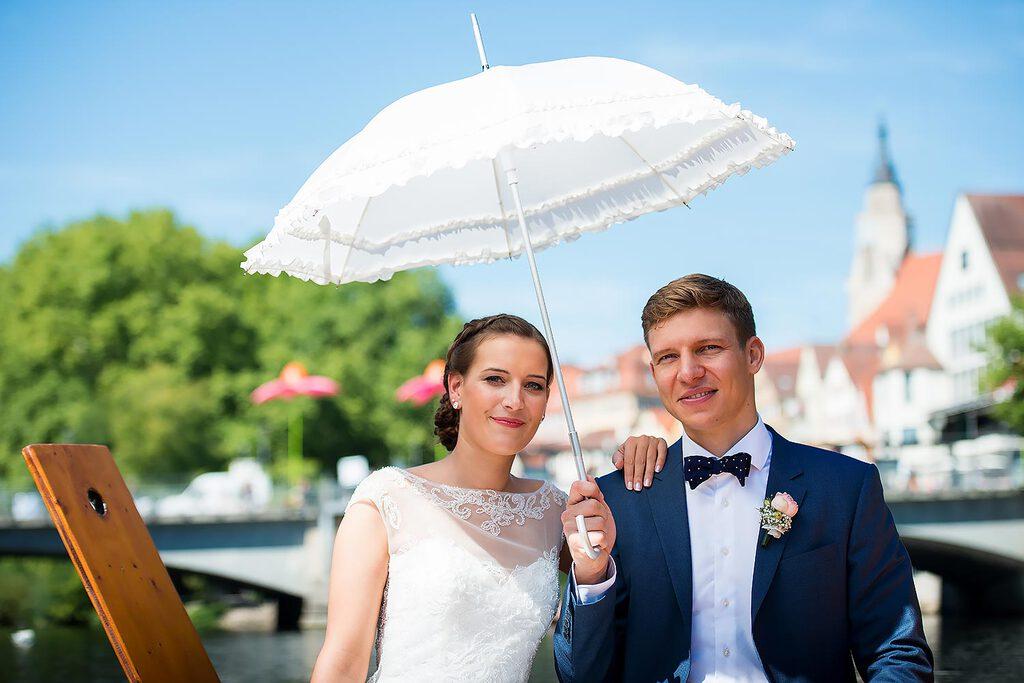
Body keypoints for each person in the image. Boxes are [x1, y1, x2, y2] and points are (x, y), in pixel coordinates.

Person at [554, 274, 934, 682]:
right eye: (667, 357)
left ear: (753, 355)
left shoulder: (845, 488)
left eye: (708, 349)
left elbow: (896, 651)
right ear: (653, 372)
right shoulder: (620, 498)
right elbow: (580, 676)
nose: (688, 371)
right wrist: (591, 576)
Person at [310, 313, 660, 682]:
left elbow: (635, 610)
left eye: (534, 386)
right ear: (456, 388)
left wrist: (649, 453)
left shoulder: (557, 511)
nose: (514, 400)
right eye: (495, 379)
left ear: (545, 404)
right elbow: (343, 664)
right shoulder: (387, 498)